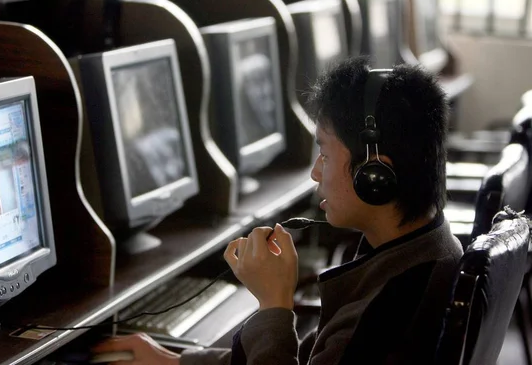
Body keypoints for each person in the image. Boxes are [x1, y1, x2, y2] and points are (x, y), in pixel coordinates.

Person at [92, 57, 464, 364]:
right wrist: (175, 362)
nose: (315, 172)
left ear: (374, 174)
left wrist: (274, 304)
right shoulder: (423, 249)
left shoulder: (389, 309)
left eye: (324, 154)